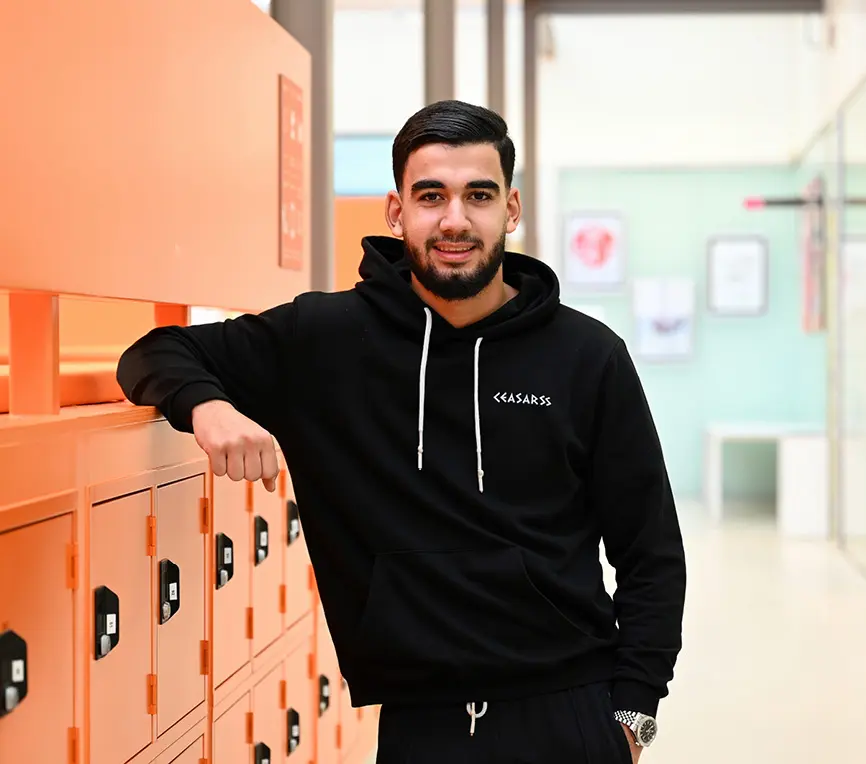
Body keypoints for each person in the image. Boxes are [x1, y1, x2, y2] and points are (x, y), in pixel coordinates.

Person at [117, 99, 686, 763]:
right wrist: (209, 409)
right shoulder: (326, 340)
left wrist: (634, 717)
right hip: (421, 724)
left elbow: (650, 549)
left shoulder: (587, 356)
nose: (454, 219)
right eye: (430, 195)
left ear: (512, 209)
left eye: (479, 195)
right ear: (396, 212)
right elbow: (152, 353)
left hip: (569, 712)